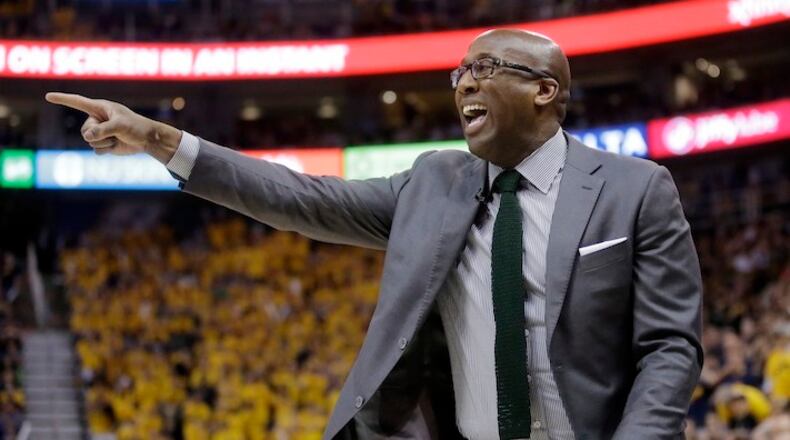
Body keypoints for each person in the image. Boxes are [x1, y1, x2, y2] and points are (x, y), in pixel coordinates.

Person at [46, 29, 703, 440]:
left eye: (488, 67)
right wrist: (158, 139)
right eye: (459, 73)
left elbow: (670, 346)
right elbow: (298, 197)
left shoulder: (635, 188)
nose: (465, 81)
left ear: (545, 91)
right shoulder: (432, 182)